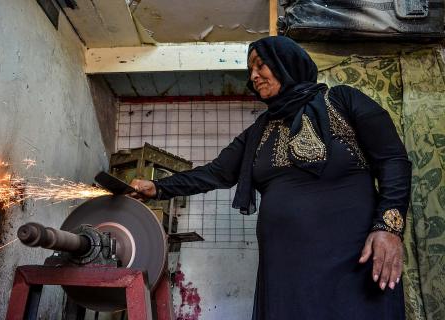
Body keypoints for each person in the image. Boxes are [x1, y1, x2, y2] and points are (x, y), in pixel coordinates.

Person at [129, 36, 412, 320]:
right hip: (285, 270)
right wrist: (157, 187)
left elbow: (393, 160)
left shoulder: (342, 102)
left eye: (260, 66)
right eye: (250, 70)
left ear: (286, 64)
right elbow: (216, 172)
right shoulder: (259, 131)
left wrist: (389, 228)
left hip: (353, 261)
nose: (253, 76)